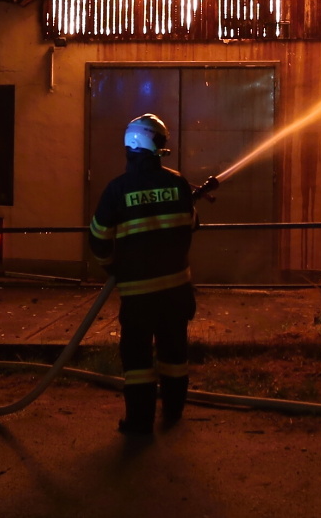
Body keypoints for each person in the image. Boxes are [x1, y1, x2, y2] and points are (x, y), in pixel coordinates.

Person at [89, 113, 197, 435]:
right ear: (155, 145)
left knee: (137, 361)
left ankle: (139, 423)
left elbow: (98, 239)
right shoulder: (178, 183)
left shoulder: (117, 190)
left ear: (130, 145)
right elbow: (192, 224)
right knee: (174, 354)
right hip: (177, 290)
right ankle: (173, 412)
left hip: (138, 294)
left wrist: (112, 267)